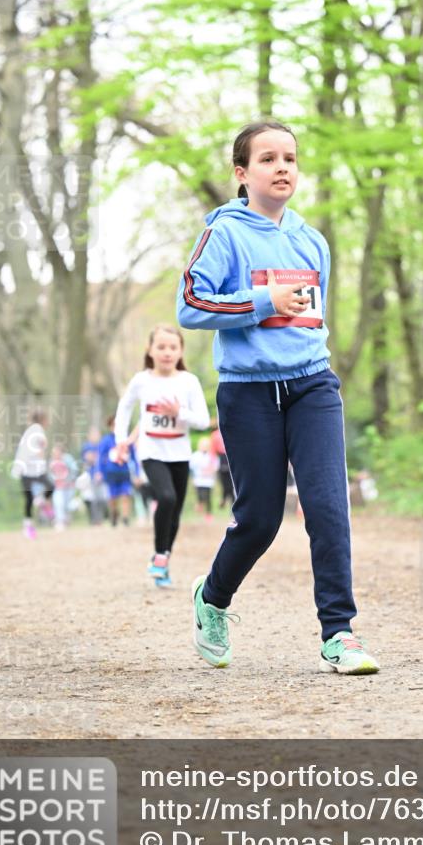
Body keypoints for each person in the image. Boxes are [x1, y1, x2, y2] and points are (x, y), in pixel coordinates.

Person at [177, 119, 379, 674]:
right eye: (267, 159)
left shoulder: (312, 241)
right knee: (260, 519)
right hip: (248, 392)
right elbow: (191, 305)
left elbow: (314, 318)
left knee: (329, 507)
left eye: (289, 158)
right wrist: (264, 301)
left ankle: (340, 633)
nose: (282, 167)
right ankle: (212, 596)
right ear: (242, 173)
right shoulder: (224, 234)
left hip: (313, 385)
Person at [112, 324, 209, 588]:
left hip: (180, 454)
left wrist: (180, 413)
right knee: (166, 497)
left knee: (175, 512)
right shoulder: (141, 380)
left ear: (180, 351)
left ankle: (163, 559)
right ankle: (158, 555)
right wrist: (121, 440)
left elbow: (203, 420)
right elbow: (124, 408)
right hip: (151, 451)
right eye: (161, 347)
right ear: (150, 350)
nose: (167, 352)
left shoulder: (189, 381)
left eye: (173, 347)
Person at [11, 409, 53, 539]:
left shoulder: (29, 430)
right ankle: (40, 502)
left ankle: (29, 523)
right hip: (31, 469)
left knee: (29, 500)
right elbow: (42, 446)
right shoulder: (38, 429)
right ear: (43, 420)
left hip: (24, 468)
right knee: (50, 487)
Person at [98, 417, 137, 529]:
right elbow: (100, 458)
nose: (115, 427)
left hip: (124, 472)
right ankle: (114, 514)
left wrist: (137, 473)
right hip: (111, 473)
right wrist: (99, 471)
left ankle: (125, 518)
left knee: (126, 495)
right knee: (113, 497)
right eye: (113, 425)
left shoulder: (127, 440)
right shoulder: (106, 441)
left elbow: (133, 457)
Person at [49, 443, 78, 531]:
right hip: (58, 487)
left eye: (57, 452)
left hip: (69, 486)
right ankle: (60, 521)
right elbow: (50, 474)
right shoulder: (51, 461)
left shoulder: (68, 459)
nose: (55, 454)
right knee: (58, 503)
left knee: (67, 505)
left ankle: (66, 518)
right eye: (54, 453)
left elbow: (74, 470)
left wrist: (68, 480)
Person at [190, 437, 218, 520]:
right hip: (198, 480)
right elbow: (192, 467)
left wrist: (209, 471)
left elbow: (215, 466)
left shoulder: (212, 456)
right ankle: (200, 504)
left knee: (208, 497)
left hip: (209, 481)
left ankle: (208, 514)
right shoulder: (195, 455)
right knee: (200, 496)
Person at [210, 425, 234, 508]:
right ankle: (225, 498)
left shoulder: (232, 431)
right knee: (226, 483)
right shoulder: (215, 435)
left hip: (230, 457)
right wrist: (213, 464)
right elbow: (213, 451)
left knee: (230, 484)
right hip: (223, 459)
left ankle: (225, 498)